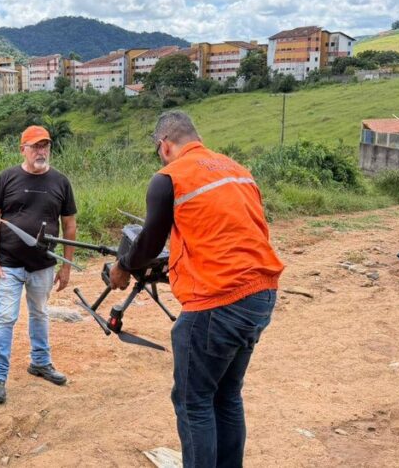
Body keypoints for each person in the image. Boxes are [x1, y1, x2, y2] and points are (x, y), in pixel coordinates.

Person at [109, 110, 284, 468]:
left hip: (220, 302)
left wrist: (123, 266)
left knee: (194, 401)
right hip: (261, 294)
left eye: (159, 151)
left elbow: (149, 243)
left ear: (165, 145)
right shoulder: (237, 170)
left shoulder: (169, 178)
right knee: (226, 395)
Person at [0, 125, 77, 404]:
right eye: (35, 146)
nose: (41, 151)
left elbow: (69, 225)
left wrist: (66, 266)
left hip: (43, 265)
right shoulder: (6, 178)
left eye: (45, 145)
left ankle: (40, 362)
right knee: (6, 317)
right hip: (9, 264)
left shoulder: (60, 182)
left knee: (40, 313)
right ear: (22, 149)